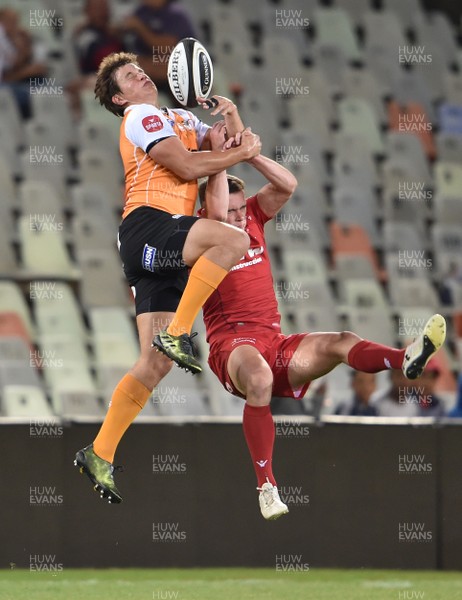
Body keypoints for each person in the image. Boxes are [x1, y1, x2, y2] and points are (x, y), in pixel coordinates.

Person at [198, 126, 447, 520]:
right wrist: (220, 156)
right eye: (230, 211)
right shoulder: (204, 233)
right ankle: (267, 487)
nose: (238, 216)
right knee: (260, 379)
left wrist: (248, 155)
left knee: (340, 340)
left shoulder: (253, 222)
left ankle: (405, 359)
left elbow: (287, 185)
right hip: (233, 349)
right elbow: (214, 212)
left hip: (273, 344)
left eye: (241, 208)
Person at [74, 51, 262, 504]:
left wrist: (232, 119)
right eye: (130, 76)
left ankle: (99, 451)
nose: (141, 75)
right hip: (150, 226)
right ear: (120, 97)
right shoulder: (139, 117)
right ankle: (179, 333)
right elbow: (190, 167)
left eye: (140, 69)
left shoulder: (176, 116)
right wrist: (238, 153)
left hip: (168, 241)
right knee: (235, 242)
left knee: (154, 363)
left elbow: (223, 149)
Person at [118, 0, 197, 93]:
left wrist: (140, 27)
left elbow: (165, 48)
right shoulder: (142, 11)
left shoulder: (175, 14)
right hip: (146, 61)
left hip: (179, 65)